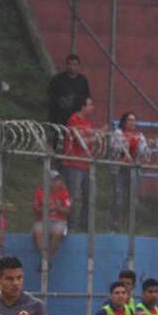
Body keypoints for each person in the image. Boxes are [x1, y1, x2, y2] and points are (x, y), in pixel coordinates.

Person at [61, 97, 94, 231]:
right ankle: (71, 226)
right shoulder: (75, 120)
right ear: (82, 107)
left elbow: (89, 142)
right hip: (73, 164)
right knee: (74, 197)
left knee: (88, 197)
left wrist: (95, 137)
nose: (93, 108)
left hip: (85, 164)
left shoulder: (88, 123)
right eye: (90, 105)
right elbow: (82, 142)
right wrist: (98, 136)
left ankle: (84, 226)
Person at [113, 111, 147, 228]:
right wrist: (130, 144)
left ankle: (130, 224)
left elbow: (142, 151)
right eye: (130, 120)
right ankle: (116, 223)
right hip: (120, 169)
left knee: (133, 198)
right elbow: (118, 148)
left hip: (133, 169)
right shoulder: (118, 133)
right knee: (118, 197)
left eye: (134, 120)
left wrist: (134, 147)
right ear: (123, 122)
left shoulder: (140, 136)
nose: (133, 122)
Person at [32, 170, 70, 267]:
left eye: (57, 180)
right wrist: (44, 209)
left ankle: (47, 259)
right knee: (38, 232)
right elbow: (35, 208)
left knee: (57, 232)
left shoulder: (64, 191)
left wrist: (58, 207)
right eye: (53, 180)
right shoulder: (40, 191)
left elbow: (68, 210)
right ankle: (46, 259)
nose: (56, 183)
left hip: (59, 220)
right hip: (43, 219)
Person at [47, 54, 91, 125]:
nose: (72, 67)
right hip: (61, 116)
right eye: (69, 64)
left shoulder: (82, 80)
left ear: (78, 66)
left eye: (74, 64)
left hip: (77, 117)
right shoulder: (57, 80)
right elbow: (51, 97)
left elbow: (87, 98)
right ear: (66, 65)